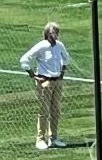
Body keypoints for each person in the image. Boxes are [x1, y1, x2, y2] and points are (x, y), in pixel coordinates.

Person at [19, 22, 70, 151]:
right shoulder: (41, 46)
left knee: (56, 110)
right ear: (47, 33)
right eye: (53, 32)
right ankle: (40, 139)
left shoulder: (59, 46)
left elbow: (66, 58)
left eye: (57, 32)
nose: (55, 35)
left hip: (57, 81)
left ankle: (54, 138)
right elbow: (24, 59)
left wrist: (62, 73)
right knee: (44, 111)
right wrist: (33, 75)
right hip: (44, 82)